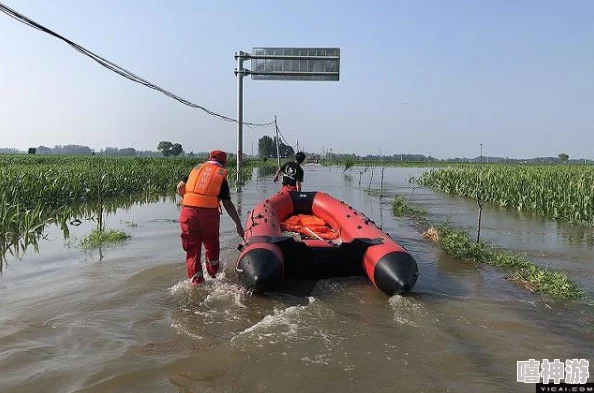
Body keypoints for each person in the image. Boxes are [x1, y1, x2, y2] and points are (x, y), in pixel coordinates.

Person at [177, 150, 244, 286]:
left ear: (208, 158)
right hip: (208, 217)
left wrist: (187, 199)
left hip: (187, 214)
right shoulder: (220, 176)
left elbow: (179, 187)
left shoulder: (195, 170)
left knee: (192, 251)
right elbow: (228, 204)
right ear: (223, 163)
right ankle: (214, 275)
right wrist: (238, 224)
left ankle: (196, 282)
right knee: (211, 247)